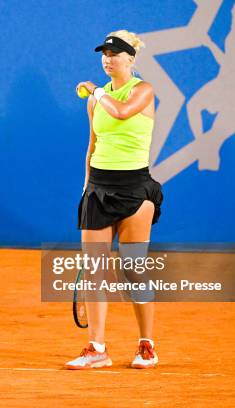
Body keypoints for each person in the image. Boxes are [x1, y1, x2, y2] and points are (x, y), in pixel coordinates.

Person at [65, 31, 163, 370]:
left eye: (115, 53)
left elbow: (121, 113)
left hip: (136, 189)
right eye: (104, 53)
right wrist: (86, 188)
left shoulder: (143, 90)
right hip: (99, 188)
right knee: (95, 271)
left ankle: (146, 344)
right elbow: (92, 145)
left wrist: (94, 90)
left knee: (133, 269)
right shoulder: (95, 99)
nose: (108, 58)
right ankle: (97, 348)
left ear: (131, 59)